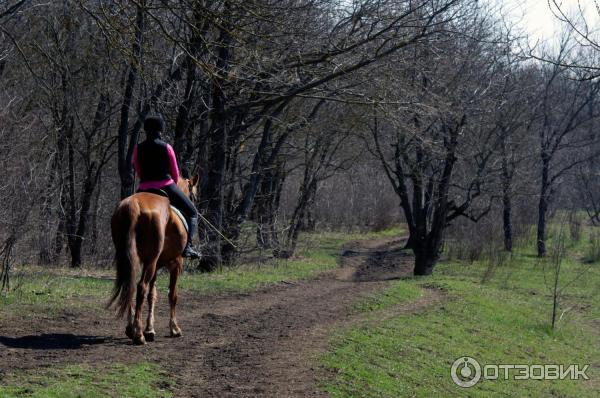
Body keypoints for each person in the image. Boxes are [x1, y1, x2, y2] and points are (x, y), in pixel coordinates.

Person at [132, 115, 201, 259]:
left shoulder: (138, 148)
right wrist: (173, 184)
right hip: (166, 185)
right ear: (160, 130)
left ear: (146, 130)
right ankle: (188, 247)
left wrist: (145, 181)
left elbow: (137, 169)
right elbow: (175, 172)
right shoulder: (167, 147)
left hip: (143, 187)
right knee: (193, 213)